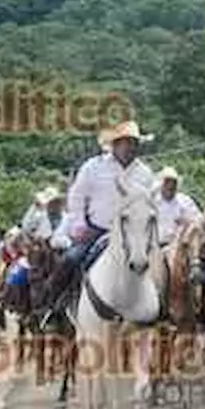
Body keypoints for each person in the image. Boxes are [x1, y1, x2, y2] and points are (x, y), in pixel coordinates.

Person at [50, 120, 156, 301]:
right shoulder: (93, 167)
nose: (130, 147)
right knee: (71, 259)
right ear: (115, 144)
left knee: (160, 267)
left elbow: (149, 205)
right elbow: (76, 196)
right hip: (97, 229)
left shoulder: (145, 174)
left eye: (134, 142)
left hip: (132, 235)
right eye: (126, 142)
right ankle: (53, 305)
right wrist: (79, 224)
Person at [154, 166, 202, 247]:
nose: (170, 185)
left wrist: (187, 222)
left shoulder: (185, 201)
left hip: (179, 244)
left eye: (173, 182)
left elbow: (199, 219)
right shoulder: (152, 202)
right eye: (167, 182)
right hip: (157, 244)